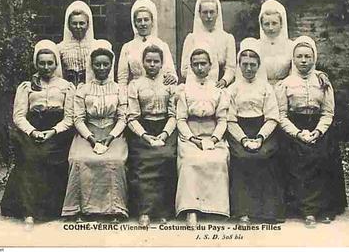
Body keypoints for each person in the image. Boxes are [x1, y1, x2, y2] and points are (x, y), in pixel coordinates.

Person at [0, 40, 75, 228]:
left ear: (56, 63)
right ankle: (29, 213)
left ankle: (51, 209)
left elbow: (70, 117)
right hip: (32, 129)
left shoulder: (66, 86)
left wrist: (53, 131)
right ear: (36, 63)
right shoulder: (27, 86)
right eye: (42, 63)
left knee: (50, 156)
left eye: (50, 63)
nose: (46, 67)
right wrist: (32, 131)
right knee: (30, 157)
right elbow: (18, 116)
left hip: (57, 132)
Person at [276, 35, 347, 228]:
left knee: (322, 156)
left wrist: (318, 131)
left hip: (318, 126)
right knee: (296, 158)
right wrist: (297, 133)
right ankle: (305, 210)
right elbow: (281, 115)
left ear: (314, 57)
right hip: (293, 127)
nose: (304, 60)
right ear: (293, 58)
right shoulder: (285, 84)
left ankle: (323, 209)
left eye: (308, 56)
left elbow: (328, 112)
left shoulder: (323, 82)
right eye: (299, 56)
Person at [61, 40, 129, 223]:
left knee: (115, 160)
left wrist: (110, 137)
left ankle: (114, 209)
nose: (101, 68)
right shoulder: (83, 89)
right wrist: (90, 138)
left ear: (110, 65)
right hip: (87, 132)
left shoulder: (119, 89)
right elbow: (78, 119)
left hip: (112, 131)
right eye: (97, 64)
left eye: (105, 64)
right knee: (78, 159)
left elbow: (123, 118)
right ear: (92, 65)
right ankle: (80, 209)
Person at [227, 38, 285, 224]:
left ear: (259, 65)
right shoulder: (232, 89)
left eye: (253, 64)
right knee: (243, 158)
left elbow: (272, 116)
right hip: (239, 131)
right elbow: (229, 120)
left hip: (263, 130)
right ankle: (243, 210)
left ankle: (268, 211)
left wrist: (260, 137)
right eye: (245, 64)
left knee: (264, 156)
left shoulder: (266, 88)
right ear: (239, 65)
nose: (249, 69)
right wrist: (243, 139)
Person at [175, 43, 230, 226]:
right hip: (190, 134)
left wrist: (214, 138)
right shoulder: (184, 90)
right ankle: (191, 209)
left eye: (203, 63)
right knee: (190, 161)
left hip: (212, 133)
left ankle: (216, 208)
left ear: (210, 66)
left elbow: (222, 119)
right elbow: (180, 119)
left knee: (219, 159)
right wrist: (192, 138)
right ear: (191, 67)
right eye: (196, 64)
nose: (199, 67)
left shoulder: (218, 91)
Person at [127, 45, 177, 226]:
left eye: (156, 61)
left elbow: (174, 115)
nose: (152, 65)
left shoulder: (170, 85)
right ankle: (144, 212)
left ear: (162, 63)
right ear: (143, 62)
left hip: (165, 127)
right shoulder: (135, 85)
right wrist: (145, 136)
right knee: (142, 160)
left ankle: (163, 211)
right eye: (149, 61)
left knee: (166, 157)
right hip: (143, 128)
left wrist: (164, 135)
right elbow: (131, 117)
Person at [180, 0, 236, 88]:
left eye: (212, 12)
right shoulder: (191, 39)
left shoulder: (227, 38)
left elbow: (231, 68)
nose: (209, 16)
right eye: (205, 12)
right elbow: (184, 69)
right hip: (196, 87)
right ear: (199, 14)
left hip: (220, 86)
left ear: (217, 13)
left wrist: (224, 81)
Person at [118, 0, 177, 87]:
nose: (143, 24)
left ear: (152, 22)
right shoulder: (127, 47)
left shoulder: (161, 45)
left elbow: (171, 73)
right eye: (139, 20)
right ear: (134, 24)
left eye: (146, 20)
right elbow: (122, 78)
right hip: (136, 90)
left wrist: (172, 78)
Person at [58, 0, 95, 86]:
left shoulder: (95, 46)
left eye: (81, 23)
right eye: (74, 23)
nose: (78, 27)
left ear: (88, 24)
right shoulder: (60, 48)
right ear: (69, 25)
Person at [257, 0, 293, 85]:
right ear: (261, 25)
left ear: (281, 24)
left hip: (286, 88)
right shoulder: (255, 46)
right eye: (266, 24)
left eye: (274, 23)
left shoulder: (291, 46)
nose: (270, 28)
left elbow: (299, 72)